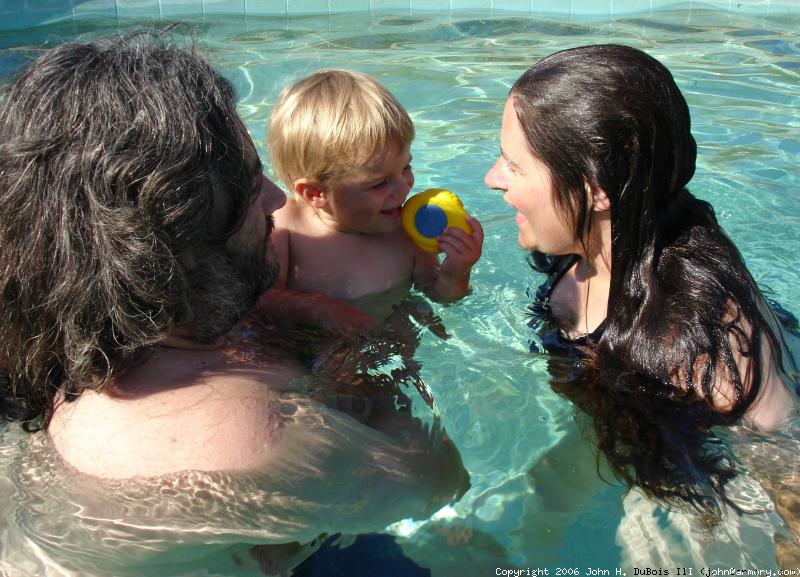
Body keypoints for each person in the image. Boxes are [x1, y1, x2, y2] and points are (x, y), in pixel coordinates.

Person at [0, 34, 468, 573]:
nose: (276, 200)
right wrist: (368, 386)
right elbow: (434, 483)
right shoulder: (245, 441)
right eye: (249, 182)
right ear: (180, 232)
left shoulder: (68, 342)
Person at [484, 44, 798, 513]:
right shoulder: (587, 248)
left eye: (514, 164)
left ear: (596, 190)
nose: (493, 178)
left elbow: (786, 464)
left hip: (708, 502)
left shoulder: (708, 337)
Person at [260, 69, 484, 333]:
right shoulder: (286, 229)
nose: (403, 189)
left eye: (405, 168)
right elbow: (263, 299)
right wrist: (316, 308)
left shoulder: (407, 233)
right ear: (316, 193)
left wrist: (456, 272)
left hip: (390, 340)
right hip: (312, 346)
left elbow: (439, 296)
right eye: (379, 183)